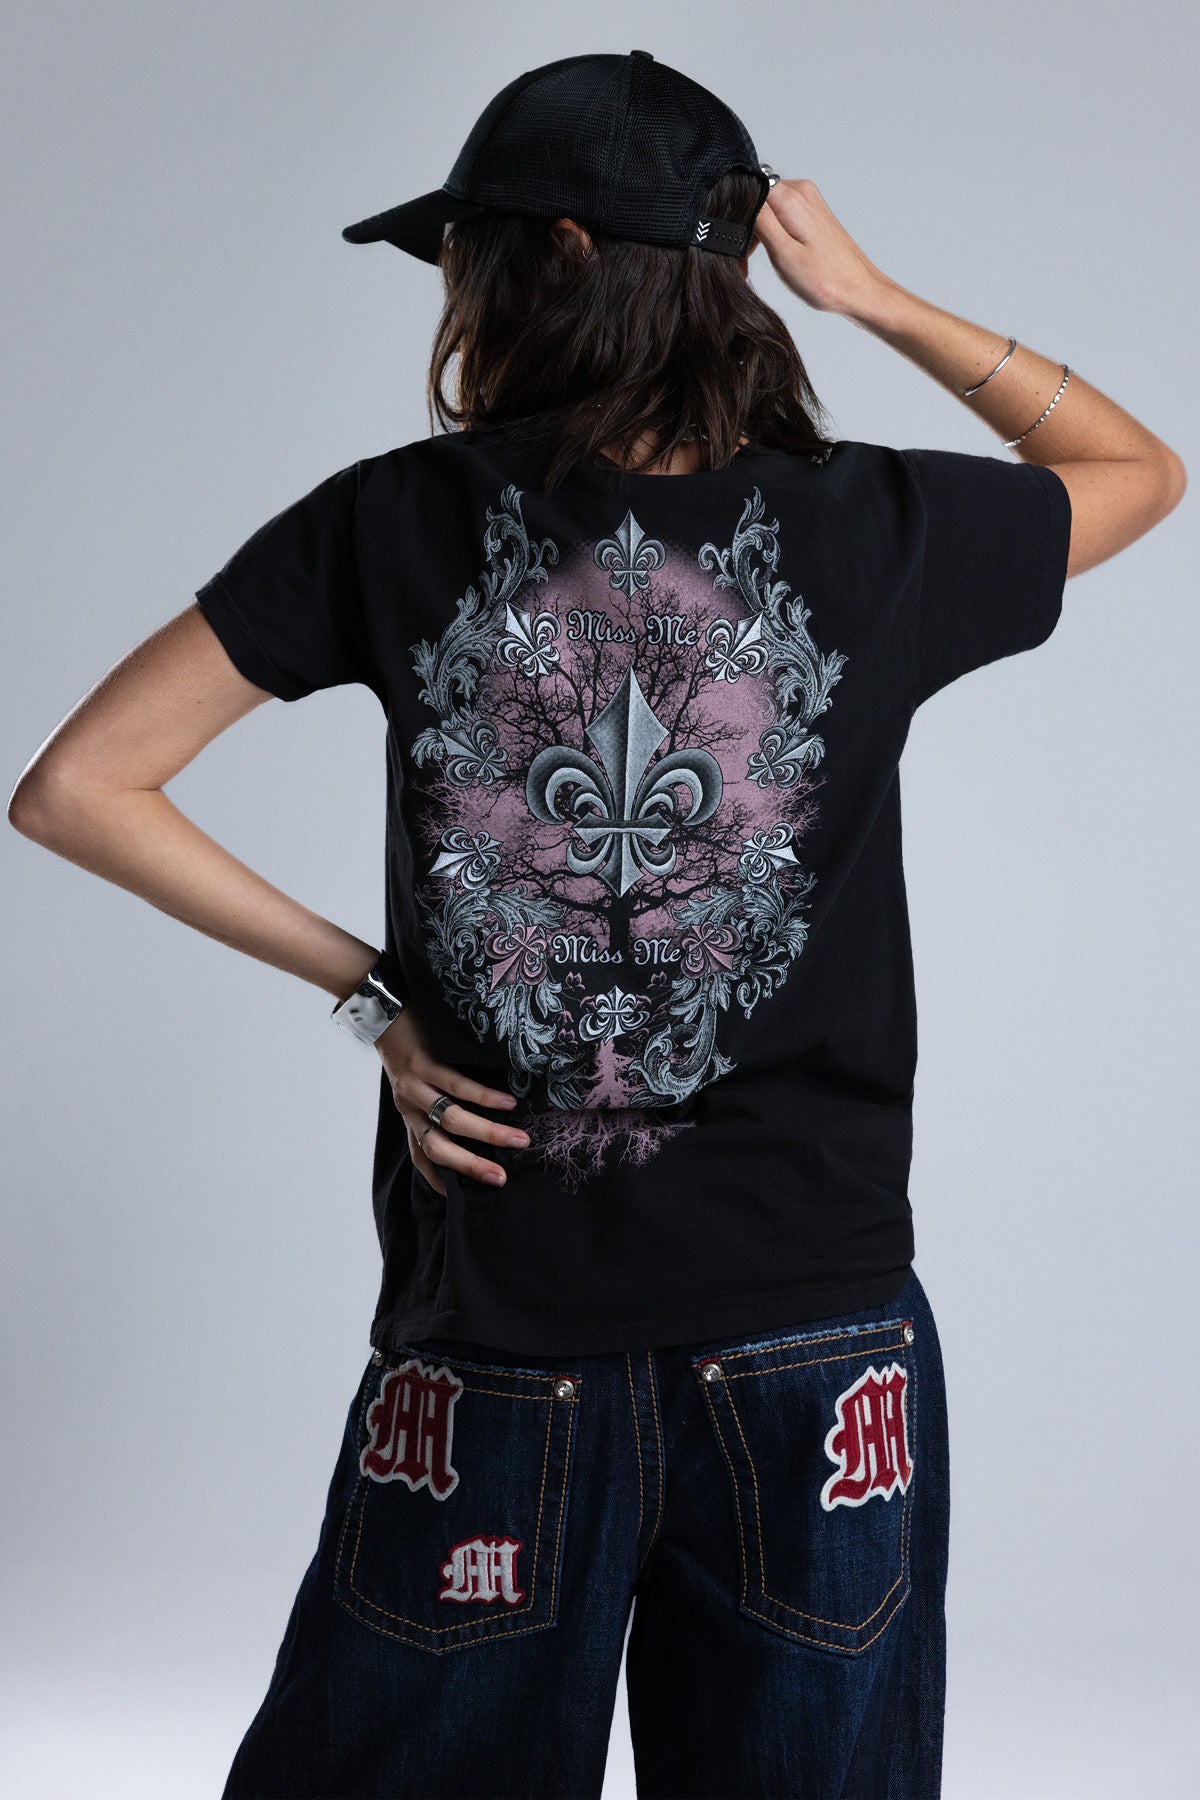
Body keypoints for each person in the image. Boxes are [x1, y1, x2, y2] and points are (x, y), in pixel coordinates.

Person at [7, 46, 1185, 1800]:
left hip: (505, 1342)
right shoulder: (879, 525)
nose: (454, 289)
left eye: (464, 251)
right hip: (815, 1344)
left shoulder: (395, 518)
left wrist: (377, 1000)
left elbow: (75, 787)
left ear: (550, 254)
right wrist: (867, 297)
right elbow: (1136, 466)